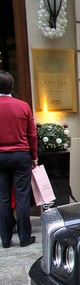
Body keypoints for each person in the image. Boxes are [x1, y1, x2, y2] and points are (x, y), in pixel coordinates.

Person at [0, 71, 38, 248]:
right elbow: (32, 134)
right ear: (11, 86)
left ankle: (5, 239)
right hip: (21, 154)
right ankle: (24, 238)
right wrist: (34, 156)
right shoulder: (23, 106)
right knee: (22, 197)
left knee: (3, 198)